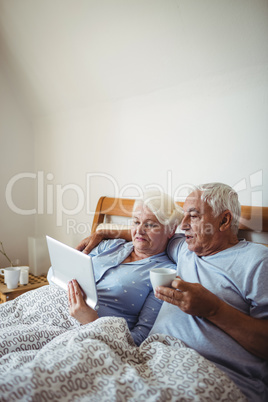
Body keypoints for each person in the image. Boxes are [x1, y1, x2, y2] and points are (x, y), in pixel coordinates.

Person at [77, 182, 268, 402]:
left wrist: (214, 309)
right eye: (183, 217)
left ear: (224, 220)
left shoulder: (257, 261)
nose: (183, 225)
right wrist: (105, 232)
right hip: (149, 358)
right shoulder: (183, 248)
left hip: (210, 373)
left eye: (193, 216)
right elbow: (150, 233)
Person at [58, 190, 183, 346]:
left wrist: (91, 321)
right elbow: (63, 269)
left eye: (150, 225)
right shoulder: (112, 245)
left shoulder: (163, 273)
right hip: (52, 309)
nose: (139, 231)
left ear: (171, 230)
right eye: (136, 222)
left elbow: (141, 337)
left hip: (88, 334)